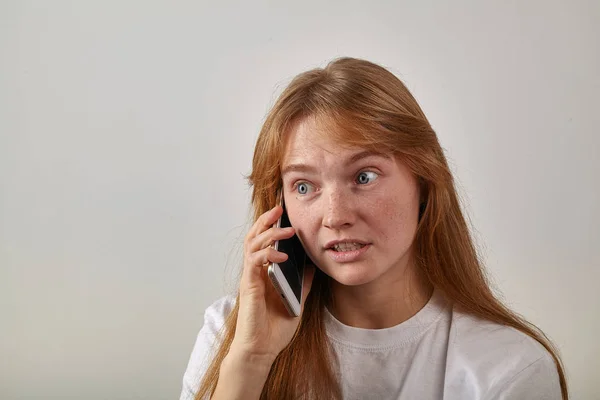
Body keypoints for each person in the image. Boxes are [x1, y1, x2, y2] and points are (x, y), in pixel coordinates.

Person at [179, 57, 568, 400]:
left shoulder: (509, 370)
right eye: (303, 186)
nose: (335, 215)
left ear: (424, 182)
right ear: (278, 206)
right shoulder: (229, 336)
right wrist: (250, 361)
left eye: (364, 176)